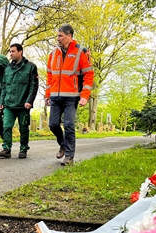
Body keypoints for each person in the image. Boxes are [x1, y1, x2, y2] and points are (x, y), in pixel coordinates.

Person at [45, 24, 94, 166]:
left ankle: (69, 156)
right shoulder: (53, 54)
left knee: (69, 125)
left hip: (71, 97)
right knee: (53, 124)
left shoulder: (81, 52)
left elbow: (88, 75)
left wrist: (84, 95)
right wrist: (47, 94)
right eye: (57, 35)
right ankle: (63, 145)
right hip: (55, 96)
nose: (57, 38)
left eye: (60, 36)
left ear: (69, 36)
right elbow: (50, 75)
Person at [0, 43, 38, 159]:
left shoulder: (30, 67)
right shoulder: (8, 69)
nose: (11, 53)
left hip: (23, 105)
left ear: (20, 52)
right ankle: (6, 149)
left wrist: (30, 101)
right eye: (10, 51)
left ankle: (23, 149)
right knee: (6, 127)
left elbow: (33, 86)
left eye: (13, 51)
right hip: (9, 104)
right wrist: (1, 102)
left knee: (23, 128)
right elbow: (4, 86)